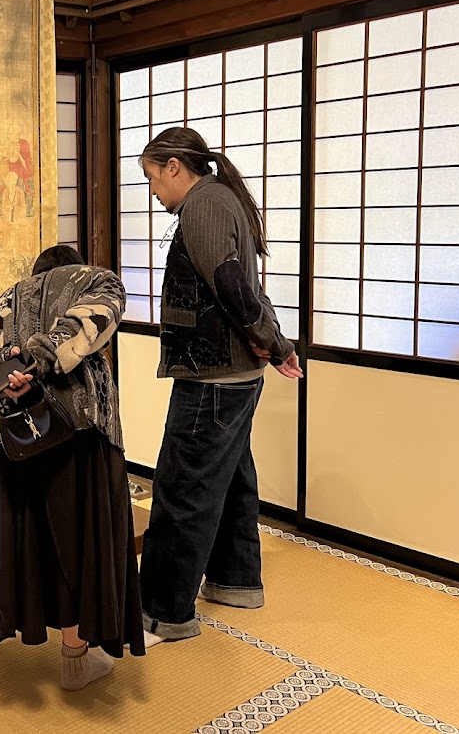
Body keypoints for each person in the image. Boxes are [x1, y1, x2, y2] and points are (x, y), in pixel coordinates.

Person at [136, 127, 304, 648]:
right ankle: (234, 581)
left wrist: (273, 342)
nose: (153, 191)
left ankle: (162, 612)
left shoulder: (205, 205)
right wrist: (274, 342)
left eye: (152, 178)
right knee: (229, 478)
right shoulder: (220, 198)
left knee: (183, 487)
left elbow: (232, 286)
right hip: (233, 376)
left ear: (174, 167)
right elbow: (247, 288)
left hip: (212, 377)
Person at [0, 244, 146, 690]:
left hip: (6, 439)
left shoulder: (6, 300)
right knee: (74, 541)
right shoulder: (95, 280)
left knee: (8, 534)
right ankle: (75, 659)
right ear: (74, 269)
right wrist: (35, 363)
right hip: (75, 434)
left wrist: (8, 370)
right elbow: (92, 321)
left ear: (35, 274)